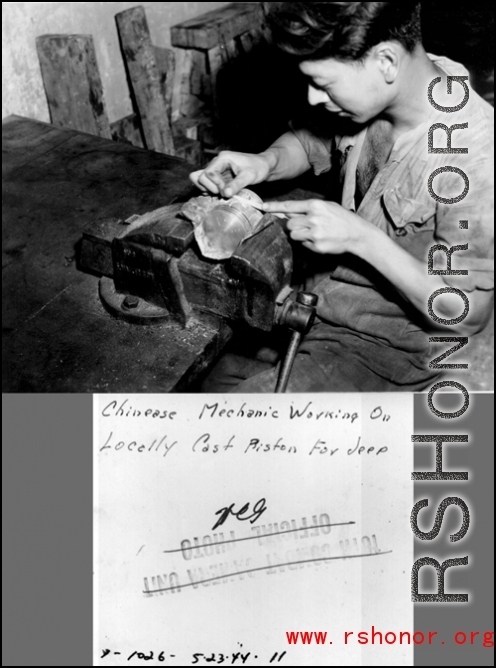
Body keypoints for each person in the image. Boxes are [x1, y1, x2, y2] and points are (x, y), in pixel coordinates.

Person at [190, 2, 494, 392]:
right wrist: (266, 162)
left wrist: (359, 238)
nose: (313, 98)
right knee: (194, 374)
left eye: (323, 84)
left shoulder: (475, 155)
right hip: (316, 299)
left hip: (384, 349)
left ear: (386, 61)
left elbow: (464, 312)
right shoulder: (377, 93)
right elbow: (310, 137)